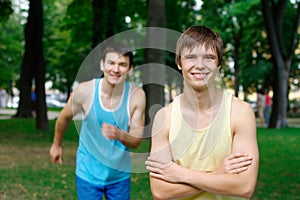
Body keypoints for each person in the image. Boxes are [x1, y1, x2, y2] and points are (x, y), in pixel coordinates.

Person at [145, 26, 259, 199]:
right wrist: (219, 173)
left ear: (219, 64)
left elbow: (244, 186)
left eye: (209, 57)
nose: (200, 65)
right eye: (191, 57)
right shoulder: (164, 117)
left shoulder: (240, 112)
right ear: (179, 62)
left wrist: (180, 174)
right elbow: (160, 191)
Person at [49, 42, 146, 200]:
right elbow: (64, 117)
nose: (115, 69)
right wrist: (56, 144)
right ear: (102, 65)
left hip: (119, 175)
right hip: (88, 172)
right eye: (111, 63)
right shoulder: (84, 91)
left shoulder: (137, 96)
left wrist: (120, 135)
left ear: (130, 69)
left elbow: (136, 140)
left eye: (122, 64)